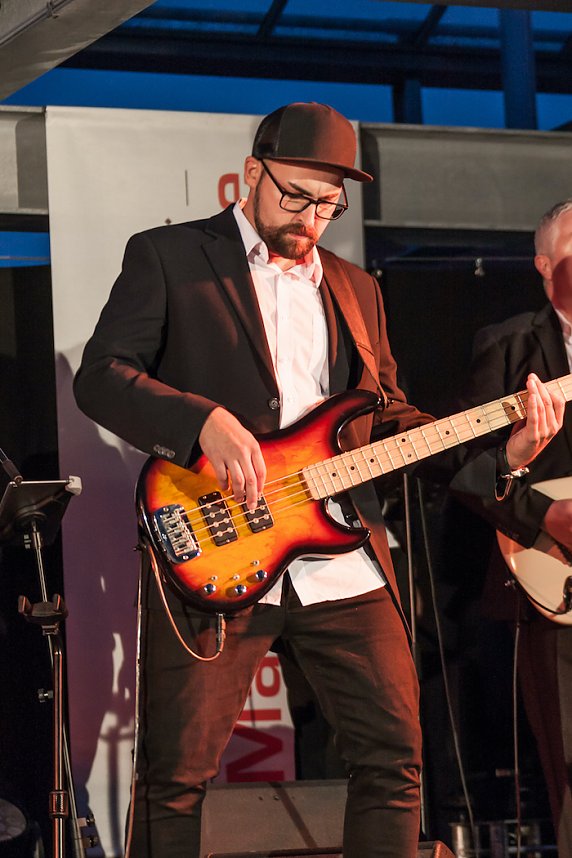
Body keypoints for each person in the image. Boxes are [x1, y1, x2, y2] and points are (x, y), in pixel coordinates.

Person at [72, 103, 564, 858]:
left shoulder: (355, 287)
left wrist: (510, 452)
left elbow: (388, 420)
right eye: (296, 196)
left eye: (328, 205)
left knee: (394, 758)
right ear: (253, 173)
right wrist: (201, 421)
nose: (311, 218)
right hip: (218, 547)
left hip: (342, 559)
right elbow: (102, 378)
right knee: (175, 777)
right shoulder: (171, 256)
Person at [455, 199, 572, 856]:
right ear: (543, 264)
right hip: (554, 584)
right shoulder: (507, 346)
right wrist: (546, 516)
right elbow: (467, 471)